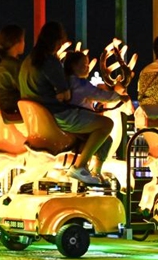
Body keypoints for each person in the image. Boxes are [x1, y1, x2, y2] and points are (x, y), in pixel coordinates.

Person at [18, 21, 111, 186]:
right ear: (58, 41)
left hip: (38, 119)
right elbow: (65, 94)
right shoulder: (49, 62)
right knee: (106, 124)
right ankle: (80, 167)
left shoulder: (28, 62)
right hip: (57, 115)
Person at [63, 50, 127, 177]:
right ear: (74, 66)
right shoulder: (80, 83)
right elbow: (99, 94)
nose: (87, 68)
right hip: (77, 118)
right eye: (84, 65)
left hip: (71, 117)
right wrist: (119, 97)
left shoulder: (65, 82)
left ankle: (94, 171)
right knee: (107, 125)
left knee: (106, 140)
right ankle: (80, 167)